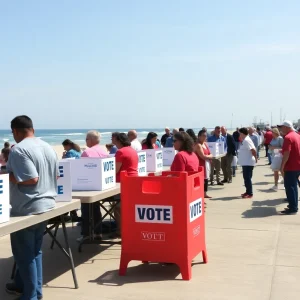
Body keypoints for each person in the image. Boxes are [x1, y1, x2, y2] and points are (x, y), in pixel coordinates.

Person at [5, 115, 58, 300]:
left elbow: (30, 178)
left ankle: (31, 296)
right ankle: (29, 289)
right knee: (35, 251)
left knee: (24, 255)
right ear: (32, 129)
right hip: (47, 203)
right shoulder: (47, 146)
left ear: (15, 131)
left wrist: (6, 176)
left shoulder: (19, 150)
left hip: (27, 207)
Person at [78, 131, 108, 242]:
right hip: (102, 185)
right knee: (96, 209)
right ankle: (98, 232)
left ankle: (86, 234)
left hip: (89, 185)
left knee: (86, 209)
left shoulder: (87, 152)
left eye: (86, 139)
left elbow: (81, 170)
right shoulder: (103, 150)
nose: (86, 141)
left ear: (90, 140)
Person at [114, 133, 138, 236]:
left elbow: (115, 170)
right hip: (133, 181)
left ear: (119, 141)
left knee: (118, 207)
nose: (114, 143)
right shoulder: (132, 150)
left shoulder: (120, 152)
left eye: (115, 141)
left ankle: (121, 231)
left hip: (122, 183)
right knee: (129, 208)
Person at [279, 120, 300, 214]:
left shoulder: (288, 137)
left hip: (291, 166)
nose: (281, 129)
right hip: (297, 165)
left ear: (286, 127)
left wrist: (282, 166)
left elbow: (287, 153)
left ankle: (293, 207)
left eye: (282, 127)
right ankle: (294, 206)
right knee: (294, 187)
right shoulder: (297, 135)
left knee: (289, 187)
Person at [238, 127, 257, 199]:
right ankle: (247, 191)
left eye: (240, 133)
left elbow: (253, 150)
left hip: (248, 162)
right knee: (246, 178)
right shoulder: (245, 140)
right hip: (245, 162)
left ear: (242, 133)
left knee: (247, 178)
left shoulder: (247, 140)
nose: (239, 135)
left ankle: (250, 193)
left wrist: (255, 158)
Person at [195, 130, 213, 198]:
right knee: (201, 181)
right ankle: (200, 195)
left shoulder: (205, 144)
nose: (205, 137)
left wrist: (209, 156)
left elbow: (210, 153)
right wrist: (209, 156)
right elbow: (203, 156)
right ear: (199, 136)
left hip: (206, 164)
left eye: (206, 136)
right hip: (200, 165)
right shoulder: (198, 145)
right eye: (203, 136)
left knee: (206, 179)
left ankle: (205, 194)